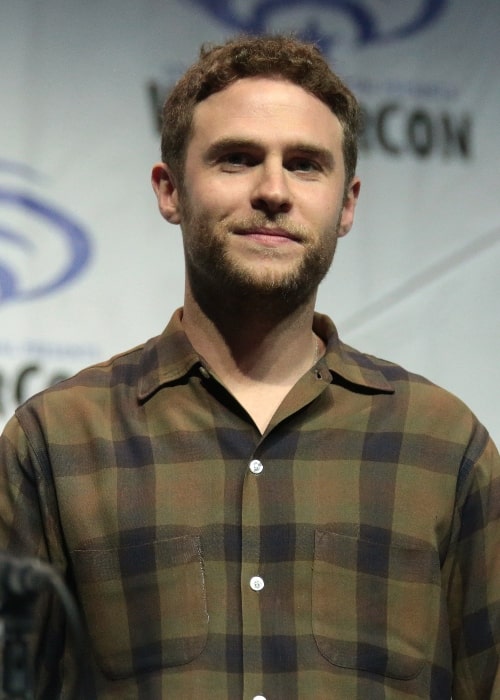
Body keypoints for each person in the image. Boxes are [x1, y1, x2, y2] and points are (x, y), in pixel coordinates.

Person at [0, 33, 499, 700]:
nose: (273, 191)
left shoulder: (443, 447)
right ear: (170, 189)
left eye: (305, 165)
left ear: (346, 204)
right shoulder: (54, 445)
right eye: (236, 160)